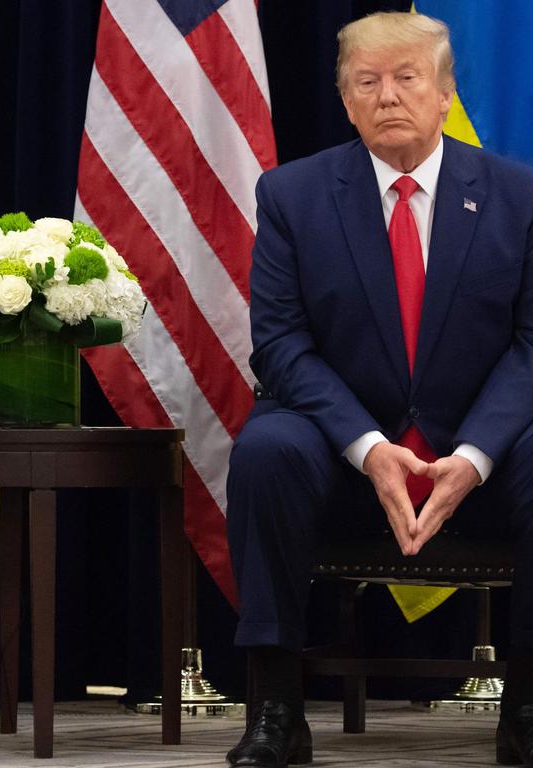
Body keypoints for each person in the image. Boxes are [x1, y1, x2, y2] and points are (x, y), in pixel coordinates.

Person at [225, 12, 533, 768]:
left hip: (477, 454)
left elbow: (530, 345)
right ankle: (275, 706)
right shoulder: (293, 195)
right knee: (264, 449)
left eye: (407, 78)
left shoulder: (517, 195)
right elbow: (282, 345)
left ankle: (525, 706)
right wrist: (368, 449)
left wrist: (475, 455)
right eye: (368, 81)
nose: (388, 95)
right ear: (345, 97)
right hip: (342, 454)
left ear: (444, 94)